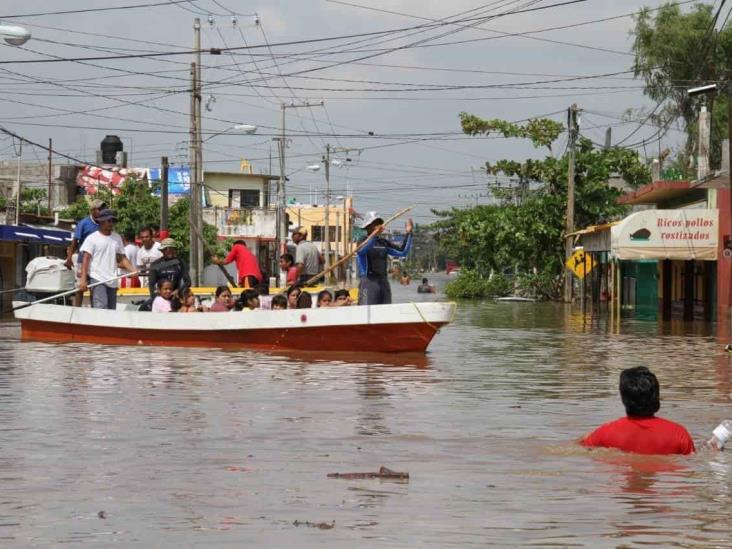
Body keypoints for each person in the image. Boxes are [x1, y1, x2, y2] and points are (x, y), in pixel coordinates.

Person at [581, 366, 695, 455]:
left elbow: (580, 449)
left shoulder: (603, 434)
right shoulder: (679, 435)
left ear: (623, 397)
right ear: (656, 395)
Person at [79, 209, 137, 310]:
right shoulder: (92, 238)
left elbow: (122, 257)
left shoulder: (117, 237)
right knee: (101, 308)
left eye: (113, 221)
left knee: (111, 310)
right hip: (97, 278)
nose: (111, 223)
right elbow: (86, 258)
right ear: (101, 221)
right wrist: (83, 279)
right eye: (109, 221)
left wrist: (133, 270)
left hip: (112, 280)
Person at [356, 212, 413, 305]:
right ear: (368, 226)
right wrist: (373, 236)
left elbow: (403, 252)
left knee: (386, 311)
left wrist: (409, 233)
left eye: (379, 223)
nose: (377, 226)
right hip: (368, 282)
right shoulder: (362, 241)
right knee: (365, 311)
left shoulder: (383, 243)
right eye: (375, 223)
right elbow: (361, 251)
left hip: (383, 282)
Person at [65, 198, 106, 306]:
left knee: (95, 287)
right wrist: (69, 258)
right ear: (92, 210)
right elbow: (75, 242)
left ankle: (94, 309)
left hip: (97, 261)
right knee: (80, 287)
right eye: (99, 209)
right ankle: (77, 310)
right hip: (82, 259)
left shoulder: (104, 223)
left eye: (103, 209)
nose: (102, 211)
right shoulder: (83, 223)